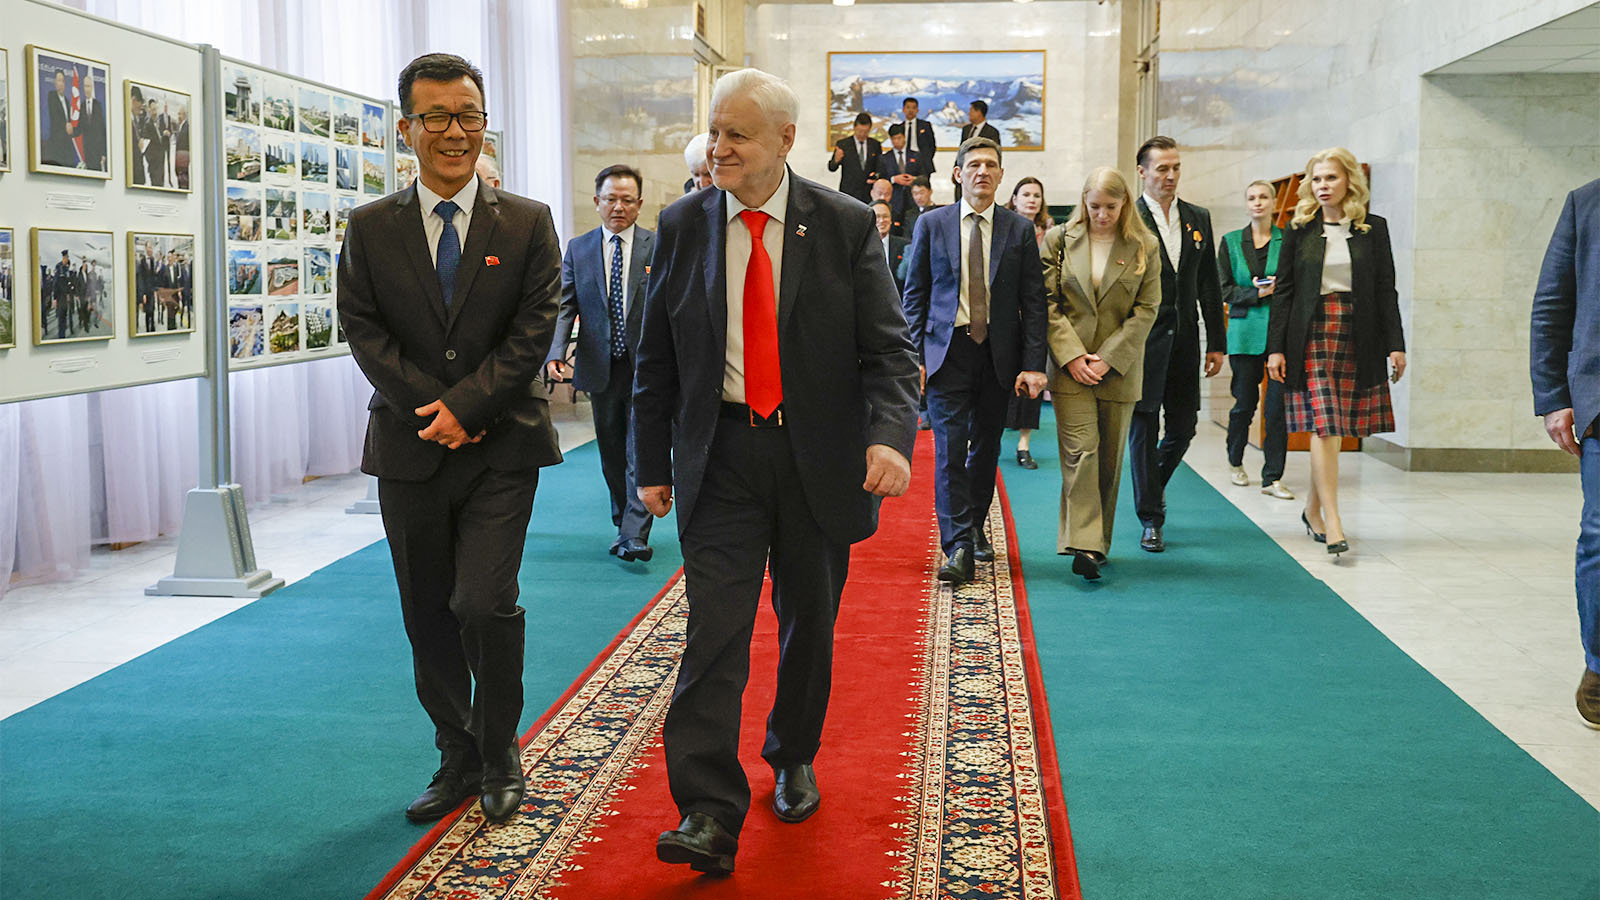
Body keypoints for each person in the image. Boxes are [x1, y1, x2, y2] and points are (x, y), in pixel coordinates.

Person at [633, 67, 919, 875]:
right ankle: (707, 810)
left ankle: (792, 753)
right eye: (714, 131)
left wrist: (890, 438)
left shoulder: (844, 224)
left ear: (787, 140)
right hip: (720, 456)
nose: (717, 148)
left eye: (737, 135)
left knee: (808, 623)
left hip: (816, 459)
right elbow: (657, 357)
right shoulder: (683, 224)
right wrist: (649, 462)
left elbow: (890, 351)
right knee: (714, 632)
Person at [337, 53, 563, 828]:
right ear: (407, 128)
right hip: (409, 448)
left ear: (484, 124)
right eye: (436, 116)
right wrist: (431, 409)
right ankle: (455, 753)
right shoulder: (371, 227)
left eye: (467, 115)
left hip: (503, 446)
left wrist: (467, 408)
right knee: (427, 610)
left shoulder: (527, 221)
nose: (454, 131)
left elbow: (534, 328)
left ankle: (499, 750)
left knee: (484, 602)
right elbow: (362, 328)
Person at [903, 136, 1047, 585]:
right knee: (949, 449)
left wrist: (1034, 363)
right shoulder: (932, 224)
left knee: (986, 448)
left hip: (998, 355)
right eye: (974, 165)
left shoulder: (1018, 230)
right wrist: (913, 357)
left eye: (990, 165)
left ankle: (974, 524)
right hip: (946, 351)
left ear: (1001, 175)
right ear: (958, 174)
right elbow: (915, 295)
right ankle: (958, 545)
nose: (982, 171)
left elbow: (1034, 301)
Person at [1266, 147, 1405, 558]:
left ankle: (1312, 511)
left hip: (1357, 333)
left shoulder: (1373, 229)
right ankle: (1334, 519)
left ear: (1349, 181)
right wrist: (1275, 349)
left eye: (1330, 177)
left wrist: (1396, 344)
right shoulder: (1298, 229)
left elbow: (1386, 290)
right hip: (1310, 334)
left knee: (1335, 428)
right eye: (1316, 179)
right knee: (1325, 426)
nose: (1322, 186)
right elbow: (1284, 292)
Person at [1042, 167, 1160, 581]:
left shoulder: (1144, 245)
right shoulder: (1059, 239)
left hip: (1118, 368)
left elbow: (1147, 309)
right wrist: (1073, 356)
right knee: (1081, 452)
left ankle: (1097, 543)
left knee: (1108, 460)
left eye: (1111, 207)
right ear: (1084, 203)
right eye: (1094, 207)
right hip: (1069, 367)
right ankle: (1085, 545)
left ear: (1125, 203)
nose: (1102, 215)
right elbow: (1047, 302)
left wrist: (1107, 358)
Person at [545, 165, 656, 561]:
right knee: (611, 450)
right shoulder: (580, 248)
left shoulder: (656, 246)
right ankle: (624, 521)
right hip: (599, 365)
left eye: (627, 200)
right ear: (597, 202)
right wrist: (555, 352)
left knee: (639, 448)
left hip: (646, 366)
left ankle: (635, 533)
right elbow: (565, 304)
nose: (618, 207)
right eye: (611, 199)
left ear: (639, 204)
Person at [1130, 135, 1224, 553]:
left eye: (1175, 168)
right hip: (1143, 343)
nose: (1170, 176)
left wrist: (1216, 342)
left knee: (1184, 427)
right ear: (1142, 172)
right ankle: (1151, 518)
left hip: (1186, 339)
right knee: (1144, 426)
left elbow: (1208, 284)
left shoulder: (1197, 217)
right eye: (1162, 169)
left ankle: (1150, 486)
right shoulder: (1129, 219)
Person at [1530, 178, 1600, 726]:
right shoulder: (1587, 202)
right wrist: (1555, 396)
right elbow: (1553, 305)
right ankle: (1599, 665)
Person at [1218, 180, 1294, 500]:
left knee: (1277, 408)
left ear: (1274, 202)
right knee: (1245, 404)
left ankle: (1272, 477)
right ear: (1246, 204)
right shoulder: (1231, 242)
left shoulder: (1287, 240)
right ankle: (1235, 461)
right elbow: (1224, 289)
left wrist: (1278, 288)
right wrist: (1257, 293)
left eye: (1264, 197)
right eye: (1252, 198)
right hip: (1244, 332)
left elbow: (1295, 286)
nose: (1258, 202)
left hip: (1280, 334)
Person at [1005, 176, 1053, 469]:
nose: (1032, 200)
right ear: (1014, 199)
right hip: (1007, 316)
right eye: (1026, 195)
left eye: (1037, 195)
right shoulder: (1004, 229)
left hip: (1036, 315)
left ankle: (1024, 444)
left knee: (1032, 375)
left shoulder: (1051, 234)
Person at [827, 111, 880, 204]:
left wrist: (876, 176)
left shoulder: (875, 145)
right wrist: (836, 160)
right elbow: (832, 168)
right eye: (860, 131)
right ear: (854, 127)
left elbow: (879, 167)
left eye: (866, 131)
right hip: (848, 193)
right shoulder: (843, 144)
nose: (862, 134)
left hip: (869, 193)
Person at [955, 102, 1000, 203]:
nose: (968, 113)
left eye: (971, 110)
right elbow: (961, 152)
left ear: (979, 112)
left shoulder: (992, 132)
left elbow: (995, 157)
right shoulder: (966, 129)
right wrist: (956, 167)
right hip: (965, 171)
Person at [879, 123, 920, 230]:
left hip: (912, 200)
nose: (897, 141)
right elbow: (880, 180)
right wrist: (893, 179)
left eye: (899, 138)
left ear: (904, 137)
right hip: (894, 201)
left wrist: (915, 180)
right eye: (894, 139)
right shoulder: (884, 158)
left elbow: (924, 177)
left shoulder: (916, 155)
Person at [871, 199, 909, 290]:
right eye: (877, 217)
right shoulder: (861, 247)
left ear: (891, 220)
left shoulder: (905, 246)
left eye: (885, 216)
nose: (881, 220)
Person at [899, 96, 937, 178]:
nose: (910, 110)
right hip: (905, 163)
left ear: (917, 110)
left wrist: (926, 159)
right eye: (908, 107)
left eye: (913, 108)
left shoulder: (925, 125)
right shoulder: (899, 127)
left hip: (922, 164)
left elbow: (932, 145)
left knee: (922, 185)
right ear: (903, 109)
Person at [902, 176, 937, 243]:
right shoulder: (909, 215)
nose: (919, 197)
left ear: (930, 192)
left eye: (922, 193)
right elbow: (906, 238)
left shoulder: (938, 212)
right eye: (915, 194)